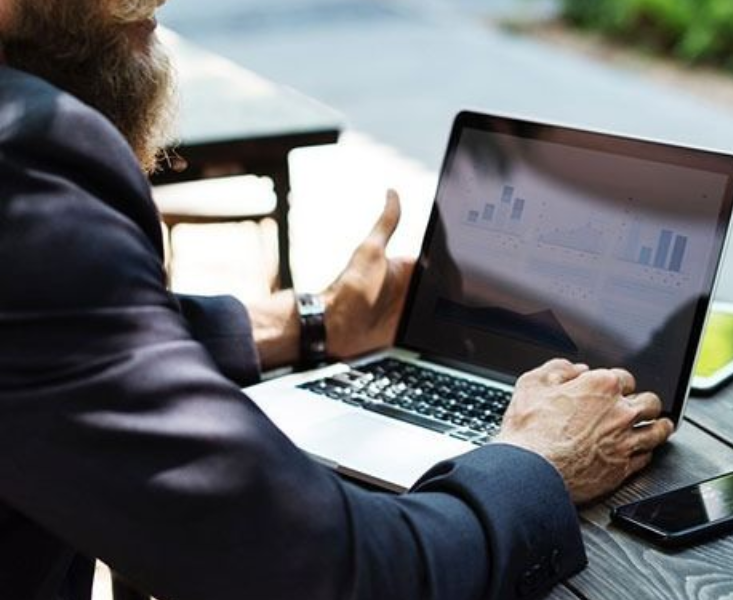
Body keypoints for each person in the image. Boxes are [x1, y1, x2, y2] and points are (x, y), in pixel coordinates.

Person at [0, 1, 675, 599]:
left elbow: (48, 341)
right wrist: (536, 462)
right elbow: (326, 570)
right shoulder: (24, 163)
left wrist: (312, 322)